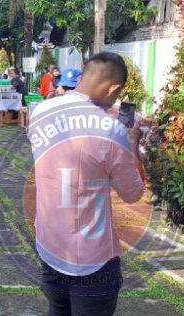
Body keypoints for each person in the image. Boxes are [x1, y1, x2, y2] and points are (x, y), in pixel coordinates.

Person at [28, 52, 145, 316]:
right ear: (113, 88)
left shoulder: (41, 112)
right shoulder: (111, 129)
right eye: (117, 94)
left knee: (57, 309)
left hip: (50, 246)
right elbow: (133, 193)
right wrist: (133, 143)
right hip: (93, 260)